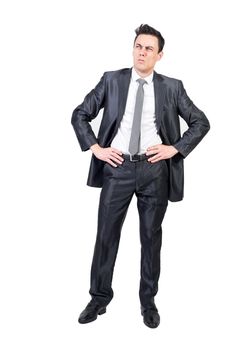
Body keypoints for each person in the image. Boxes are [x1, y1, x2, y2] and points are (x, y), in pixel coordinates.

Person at [71, 24, 210, 328]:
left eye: (149, 48)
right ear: (133, 49)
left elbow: (201, 122)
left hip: (153, 170)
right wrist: (96, 147)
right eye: (138, 46)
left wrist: (174, 148)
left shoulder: (172, 87)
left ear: (159, 55)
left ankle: (148, 302)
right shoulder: (112, 80)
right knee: (106, 236)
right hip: (117, 167)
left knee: (150, 238)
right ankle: (99, 298)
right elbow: (80, 113)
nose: (142, 52)